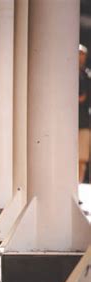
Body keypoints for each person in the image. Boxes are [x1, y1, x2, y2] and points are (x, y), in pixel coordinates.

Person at [79, 44, 90, 183]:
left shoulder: (87, 76)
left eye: (82, 54)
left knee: (82, 157)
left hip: (83, 121)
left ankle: (79, 185)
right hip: (68, 121)